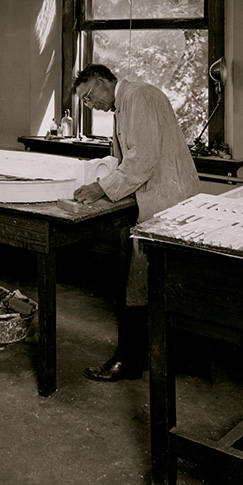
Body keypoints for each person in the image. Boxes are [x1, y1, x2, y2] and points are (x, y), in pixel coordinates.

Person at [71, 64, 199, 382]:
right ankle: (164, 357)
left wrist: (101, 188)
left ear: (102, 82)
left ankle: (128, 361)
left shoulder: (139, 97)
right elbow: (127, 159)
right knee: (153, 283)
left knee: (142, 282)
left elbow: (142, 159)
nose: (90, 105)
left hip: (168, 201)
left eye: (88, 97)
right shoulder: (124, 105)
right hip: (162, 197)